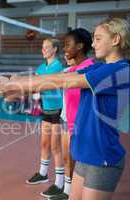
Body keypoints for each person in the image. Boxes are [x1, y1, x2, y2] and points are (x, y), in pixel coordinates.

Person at [0, 18, 130, 200]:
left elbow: (64, 81)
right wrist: (13, 84)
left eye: (98, 39)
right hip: (85, 153)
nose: (93, 44)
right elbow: (61, 76)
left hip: (102, 157)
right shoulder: (99, 67)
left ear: (115, 40)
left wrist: (13, 84)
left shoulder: (119, 71)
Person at [51, 28, 94, 200]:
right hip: (67, 121)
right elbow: (52, 78)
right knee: (68, 158)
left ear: (80, 46)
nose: (64, 48)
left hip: (81, 124)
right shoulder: (71, 69)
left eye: (68, 44)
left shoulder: (89, 68)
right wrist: (14, 83)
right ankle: (68, 191)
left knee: (80, 163)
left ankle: (78, 192)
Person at [25, 38, 64, 198]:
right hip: (46, 109)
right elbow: (33, 84)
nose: (43, 50)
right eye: (42, 47)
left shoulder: (58, 66)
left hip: (58, 109)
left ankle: (60, 183)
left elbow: (47, 85)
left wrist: (36, 87)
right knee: (44, 143)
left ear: (55, 49)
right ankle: (43, 174)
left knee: (55, 146)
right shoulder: (41, 67)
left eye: (46, 47)